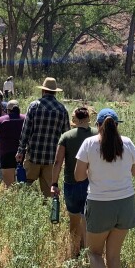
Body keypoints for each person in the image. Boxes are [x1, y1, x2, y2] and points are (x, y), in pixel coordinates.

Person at [75, 108, 135, 268]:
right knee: (114, 255)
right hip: (125, 203)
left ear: (98, 125)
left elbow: (79, 176)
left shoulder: (89, 144)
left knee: (94, 252)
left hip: (99, 204)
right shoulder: (127, 143)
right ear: (117, 125)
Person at [51, 106, 94, 258]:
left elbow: (58, 162)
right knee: (88, 220)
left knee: (74, 220)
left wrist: (54, 183)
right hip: (93, 184)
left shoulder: (67, 136)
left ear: (74, 119)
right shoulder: (97, 134)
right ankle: (88, 252)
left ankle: (75, 252)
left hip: (72, 182)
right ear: (89, 118)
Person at [16, 77, 70, 198]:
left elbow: (26, 131)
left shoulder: (34, 106)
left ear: (43, 91)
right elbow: (67, 135)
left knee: (25, 188)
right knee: (48, 193)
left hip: (33, 155)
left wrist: (20, 150)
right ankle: (47, 214)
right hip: (51, 158)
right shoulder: (62, 110)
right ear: (55, 92)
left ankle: (25, 210)